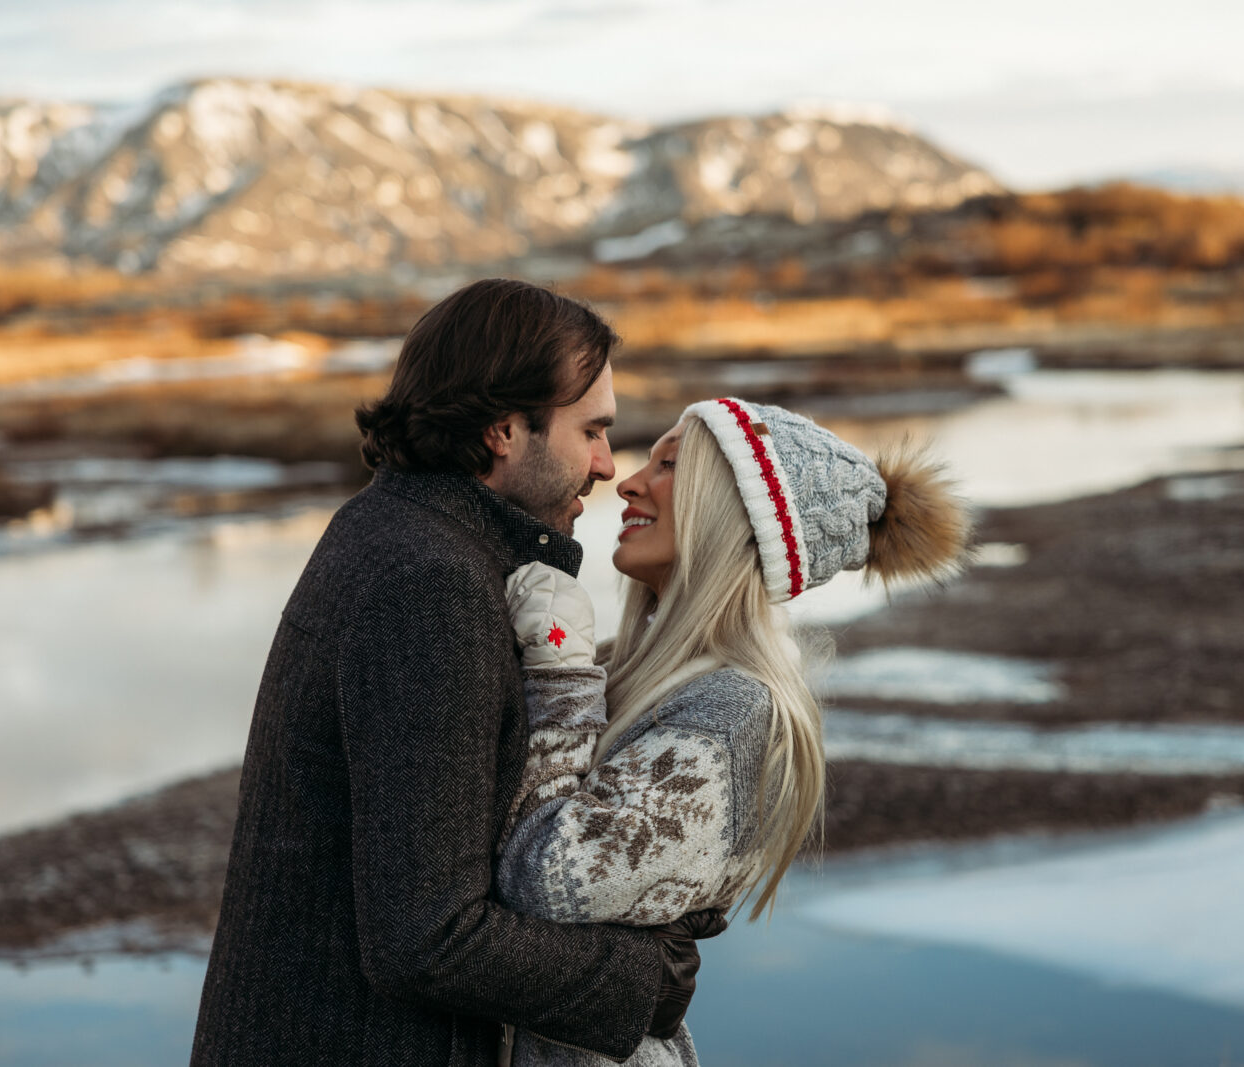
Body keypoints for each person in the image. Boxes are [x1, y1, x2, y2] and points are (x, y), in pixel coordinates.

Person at [191, 280, 717, 1067]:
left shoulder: (393, 529)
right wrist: (641, 978)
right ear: (504, 429)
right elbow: (426, 936)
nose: (608, 464)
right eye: (593, 430)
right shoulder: (431, 584)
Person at [492, 398, 970, 1065]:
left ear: (737, 514)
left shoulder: (734, 715)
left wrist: (556, 666)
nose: (629, 481)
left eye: (671, 466)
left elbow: (542, 879)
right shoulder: (621, 669)